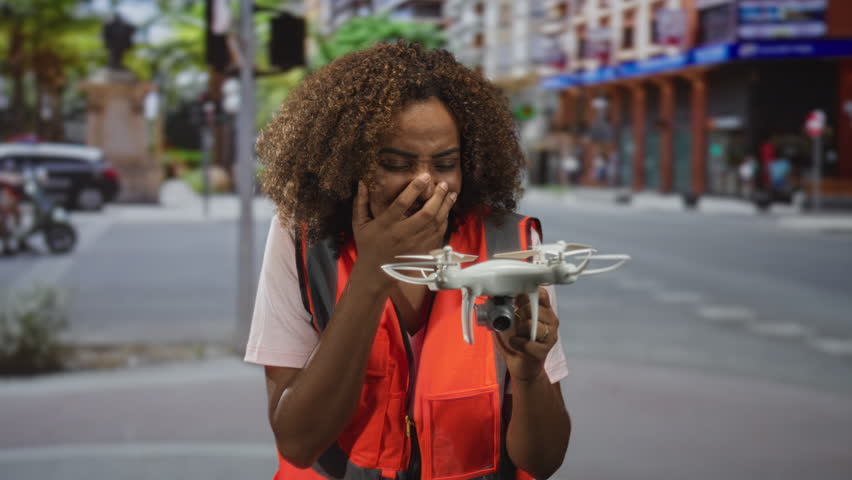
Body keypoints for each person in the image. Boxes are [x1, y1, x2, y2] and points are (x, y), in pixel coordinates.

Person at [245, 41, 571, 480]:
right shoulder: (300, 236)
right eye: (395, 163)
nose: (425, 182)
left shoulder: (510, 243)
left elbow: (543, 461)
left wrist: (529, 376)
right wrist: (372, 275)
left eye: (445, 163)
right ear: (348, 162)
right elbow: (299, 442)